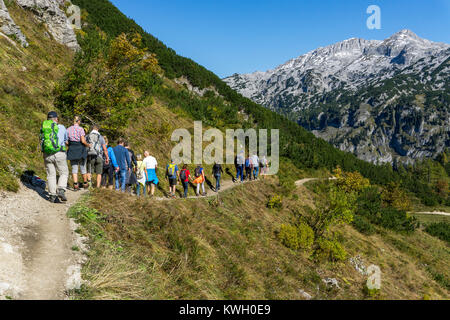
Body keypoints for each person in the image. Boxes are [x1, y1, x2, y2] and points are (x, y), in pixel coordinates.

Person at [41, 111, 69, 203]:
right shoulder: (61, 127)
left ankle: (52, 195)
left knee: (51, 175)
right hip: (59, 153)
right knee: (63, 173)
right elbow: (65, 140)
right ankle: (61, 189)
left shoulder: (44, 127)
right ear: (56, 119)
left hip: (47, 154)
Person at [66, 116, 91, 190]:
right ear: (79, 121)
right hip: (80, 149)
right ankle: (85, 183)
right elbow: (83, 141)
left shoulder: (68, 129)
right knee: (83, 167)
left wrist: (70, 145)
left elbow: (66, 141)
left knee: (74, 168)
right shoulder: (81, 129)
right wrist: (88, 145)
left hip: (72, 150)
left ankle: (75, 184)